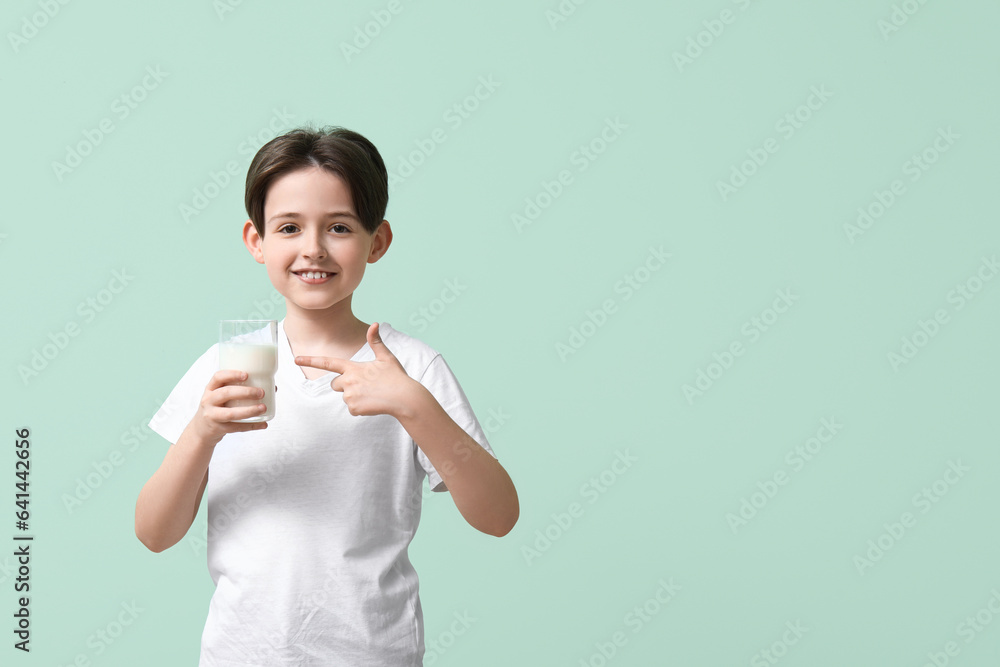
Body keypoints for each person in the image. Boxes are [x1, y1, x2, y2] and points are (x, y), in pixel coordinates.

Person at [134, 125, 519, 666]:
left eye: (339, 227)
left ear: (377, 241)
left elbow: (499, 516)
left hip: (373, 653)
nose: (312, 249)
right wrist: (201, 431)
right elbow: (154, 533)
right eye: (289, 227)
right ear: (256, 241)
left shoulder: (411, 367)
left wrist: (413, 405)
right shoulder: (227, 367)